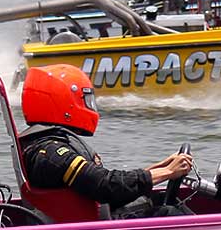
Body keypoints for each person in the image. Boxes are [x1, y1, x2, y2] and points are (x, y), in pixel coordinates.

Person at [18, 64, 194, 219]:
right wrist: (168, 172)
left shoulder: (46, 145)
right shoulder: (51, 152)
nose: (89, 105)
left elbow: (104, 184)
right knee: (168, 213)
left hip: (97, 218)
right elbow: (105, 185)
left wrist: (162, 167)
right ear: (61, 102)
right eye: (85, 99)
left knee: (161, 199)